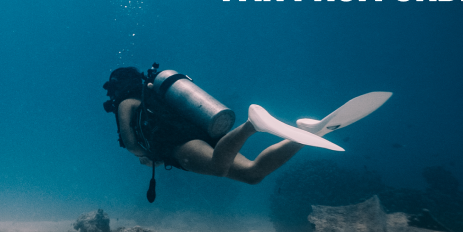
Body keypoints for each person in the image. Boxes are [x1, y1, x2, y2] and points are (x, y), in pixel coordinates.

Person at [103, 66, 389, 186]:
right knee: (253, 174)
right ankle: (312, 132)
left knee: (218, 167)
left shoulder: (125, 102)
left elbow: (130, 143)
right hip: (204, 128)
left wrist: (145, 156)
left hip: (179, 143)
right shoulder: (154, 92)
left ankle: (253, 125)